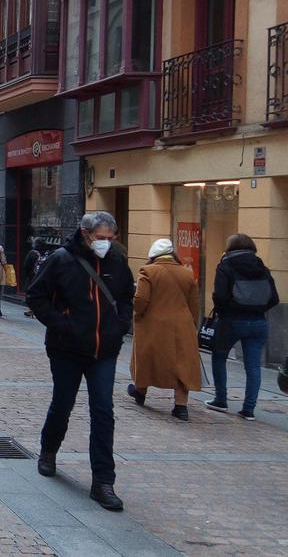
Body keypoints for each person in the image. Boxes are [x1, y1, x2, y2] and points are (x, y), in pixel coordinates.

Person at [26, 211, 134, 512]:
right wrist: (61, 323)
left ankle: (103, 481)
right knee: (63, 403)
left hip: (104, 349)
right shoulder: (61, 259)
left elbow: (127, 295)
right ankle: (48, 450)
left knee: (103, 412)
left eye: (111, 239)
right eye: (101, 239)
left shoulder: (117, 261)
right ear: (85, 234)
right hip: (67, 349)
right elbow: (36, 296)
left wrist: (120, 326)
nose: (106, 244)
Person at [206, 233, 279, 421]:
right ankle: (249, 409)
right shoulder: (262, 267)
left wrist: (226, 311)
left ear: (230, 248)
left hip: (231, 320)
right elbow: (274, 298)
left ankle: (221, 399)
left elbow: (220, 296)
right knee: (253, 366)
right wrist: (258, 308)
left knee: (219, 356)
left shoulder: (226, 265)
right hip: (258, 322)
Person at [126, 238, 200, 421]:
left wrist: (137, 313)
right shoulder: (187, 273)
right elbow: (194, 304)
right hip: (182, 324)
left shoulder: (148, 271)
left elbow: (141, 300)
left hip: (153, 323)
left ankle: (140, 391)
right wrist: (192, 325)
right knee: (182, 365)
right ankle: (181, 406)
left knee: (147, 358)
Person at [20, 238, 53, 317]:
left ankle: (32, 309)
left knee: (33, 293)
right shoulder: (49, 253)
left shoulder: (32, 253)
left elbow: (26, 266)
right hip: (46, 277)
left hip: (34, 277)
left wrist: (26, 276)